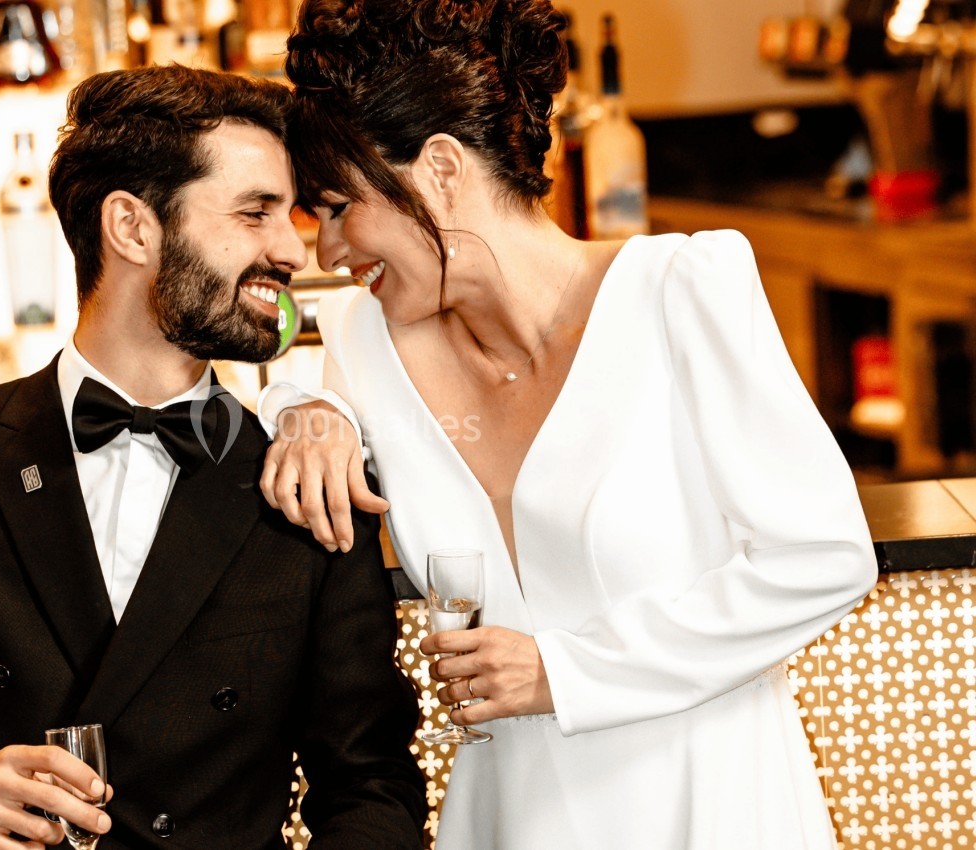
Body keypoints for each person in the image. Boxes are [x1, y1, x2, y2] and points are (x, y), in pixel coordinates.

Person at [257, 1, 881, 848]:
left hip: (710, 803)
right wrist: (307, 409)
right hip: (517, 814)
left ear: (440, 166)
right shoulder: (366, 339)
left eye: (337, 206)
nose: (326, 252)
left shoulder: (684, 289)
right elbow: (263, 387)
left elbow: (824, 558)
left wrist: (567, 670)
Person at [0, 65, 427, 850]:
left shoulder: (309, 481)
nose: (292, 249)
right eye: (255, 213)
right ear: (132, 227)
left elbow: (370, 784)